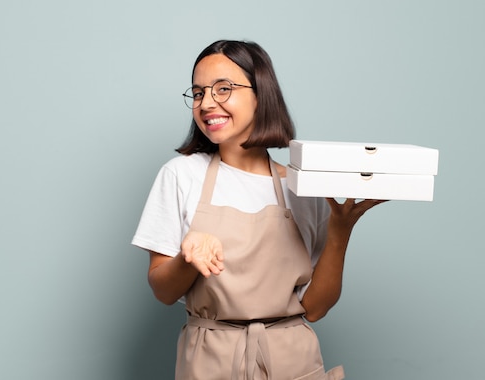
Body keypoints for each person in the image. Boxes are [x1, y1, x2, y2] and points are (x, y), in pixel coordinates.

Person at [132, 40, 386, 380]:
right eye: (198, 93)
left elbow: (315, 307)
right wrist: (187, 258)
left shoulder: (302, 186)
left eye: (223, 89)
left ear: (261, 94)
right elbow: (163, 291)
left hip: (291, 358)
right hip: (210, 360)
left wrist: (340, 232)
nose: (207, 103)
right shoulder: (180, 176)